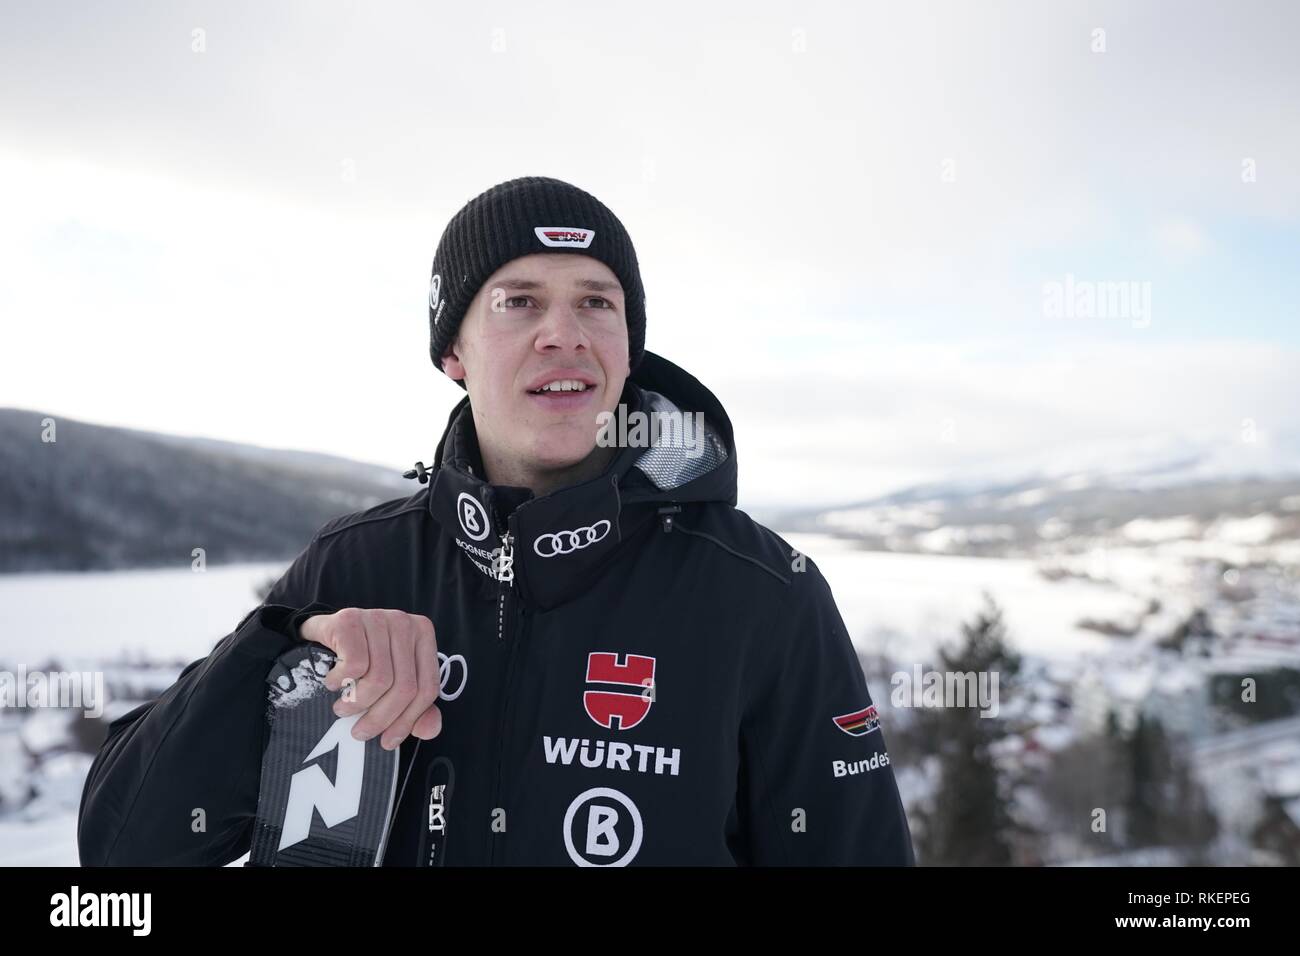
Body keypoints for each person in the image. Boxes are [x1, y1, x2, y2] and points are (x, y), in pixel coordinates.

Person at [78, 176, 916, 866]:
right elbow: (122, 849)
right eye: (519, 301)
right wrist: (281, 656)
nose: (565, 334)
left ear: (628, 347)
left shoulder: (763, 594)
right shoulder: (356, 567)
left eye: (597, 303)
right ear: (454, 351)